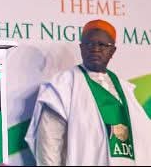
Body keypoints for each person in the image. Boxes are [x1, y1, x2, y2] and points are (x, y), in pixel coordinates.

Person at [25, 20, 151, 165]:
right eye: (89, 44)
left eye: (102, 45)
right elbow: (49, 142)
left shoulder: (126, 90)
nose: (95, 49)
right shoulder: (64, 85)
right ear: (81, 48)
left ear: (112, 51)